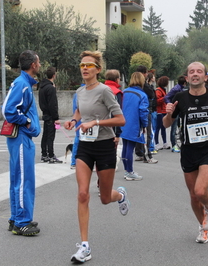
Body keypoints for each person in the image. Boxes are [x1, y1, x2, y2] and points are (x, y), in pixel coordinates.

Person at [63, 50, 128, 263]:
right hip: (85, 146)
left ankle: (120, 195)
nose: (84, 68)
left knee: (105, 198)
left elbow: (120, 120)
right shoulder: (80, 92)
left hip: (105, 146)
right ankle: (85, 246)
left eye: (89, 65)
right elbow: (80, 112)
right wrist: (73, 121)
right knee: (82, 194)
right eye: (82, 65)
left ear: (97, 70)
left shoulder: (105, 91)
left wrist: (97, 123)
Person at [163, 62, 208, 244]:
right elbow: (166, 124)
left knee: (201, 191)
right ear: (187, 78)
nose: (195, 74)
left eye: (199, 71)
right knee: (194, 196)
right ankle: (203, 227)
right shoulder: (180, 97)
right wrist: (169, 113)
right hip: (188, 151)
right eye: (191, 72)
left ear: (205, 77)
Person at [2, 50, 41, 236]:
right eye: (38, 62)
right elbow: (8, 110)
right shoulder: (22, 84)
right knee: (24, 179)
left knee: (19, 178)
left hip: (21, 138)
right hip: (21, 138)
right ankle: (21, 222)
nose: (40, 65)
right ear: (33, 65)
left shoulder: (24, 83)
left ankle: (16, 217)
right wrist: (26, 122)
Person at [120, 72, 149, 181]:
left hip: (122, 122)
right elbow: (143, 112)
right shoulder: (142, 95)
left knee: (125, 146)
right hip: (134, 124)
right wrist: (145, 125)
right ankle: (129, 172)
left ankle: (126, 170)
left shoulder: (124, 92)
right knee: (130, 148)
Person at [134, 66, 158, 164]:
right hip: (145, 111)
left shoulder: (132, 87)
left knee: (139, 133)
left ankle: (139, 154)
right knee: (147, 132)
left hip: (136, 112)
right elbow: (152, 95)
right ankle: (148, 156)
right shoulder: (145, 86)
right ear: (144, 74)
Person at [39, 66, 62, 164]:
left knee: (45, 135)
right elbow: (53, 104)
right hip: (51, 116)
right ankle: (51, 155)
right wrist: (56, 118)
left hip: (45, 114)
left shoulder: (42, 87)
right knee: (50, 137)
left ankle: (44, 154)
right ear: (54, 75)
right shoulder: (51, 88)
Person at [164, 75, 187, 153]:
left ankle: (181, 143)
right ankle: (174, 145)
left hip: (180, 111)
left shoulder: (181, 89)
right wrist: (170, 104)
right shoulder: (176, 89)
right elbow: (166, 97)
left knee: (180, 128)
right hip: (175, 111)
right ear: (184, 82)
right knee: (173, 129)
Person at [154, 76, 170, 150]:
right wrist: (165, 98)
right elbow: (157, 101)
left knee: (163, 127)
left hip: (163, 110)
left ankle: (165, 143)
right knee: (158, 128)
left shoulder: (163, 90)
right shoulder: (158, 90)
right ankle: (156, 143)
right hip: (160, 111)